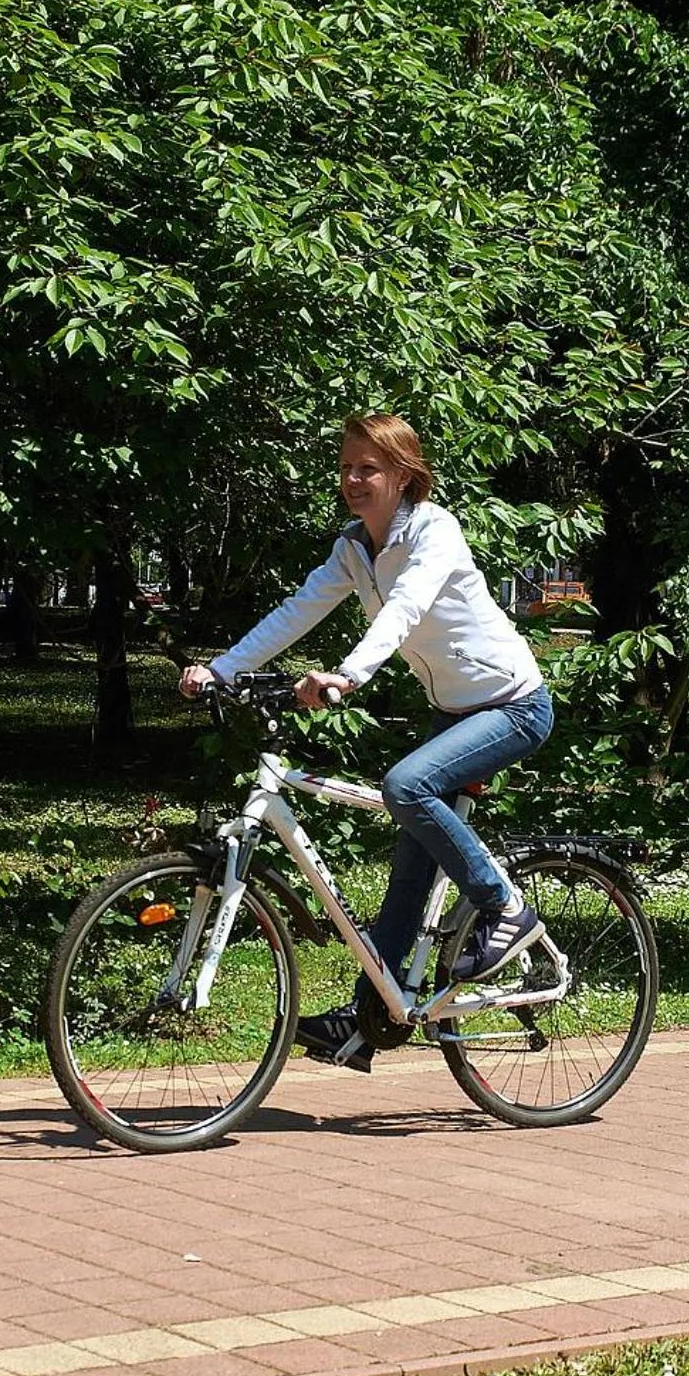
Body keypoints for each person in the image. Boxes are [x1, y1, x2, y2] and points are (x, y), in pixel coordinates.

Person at [181, 414, 554, 1072]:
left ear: (403, 476)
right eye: (347, 466)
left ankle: (505, 908)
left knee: (404, 786)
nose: (353, 479)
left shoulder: (434, 531)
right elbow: (297, 610)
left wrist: (348, 674)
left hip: (513, 706)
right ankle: (367, 1018)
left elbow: (406, 605)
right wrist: (223, 668)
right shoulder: (355, 547)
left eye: (368, 468)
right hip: (453, 712)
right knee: (407, 875)